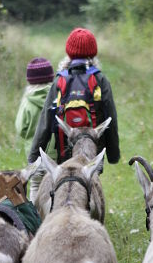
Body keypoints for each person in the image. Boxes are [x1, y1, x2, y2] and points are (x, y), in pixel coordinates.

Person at [27, 27, 120, 167]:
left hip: (66, 151)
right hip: (93, 153)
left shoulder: (59, 81)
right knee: (91, 185)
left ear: (69, 53)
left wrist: (34, 156)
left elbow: (45, 120)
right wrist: (113, 155)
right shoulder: (99, 79)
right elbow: (110, 118)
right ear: (93, 52)